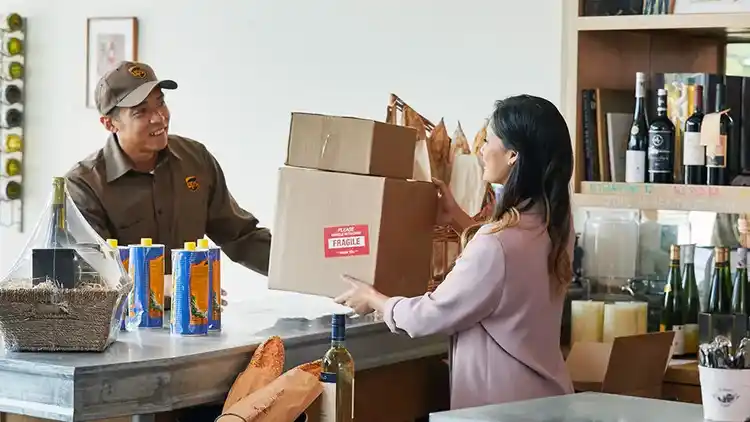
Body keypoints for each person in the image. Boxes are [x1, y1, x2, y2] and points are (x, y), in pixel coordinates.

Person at [334, 95, 575, 410]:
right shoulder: (556, 225)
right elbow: (505, 266)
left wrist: (374, 299)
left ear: (513, 154)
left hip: (502, 409)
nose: (482, 150)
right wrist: (458, 218)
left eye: (489, 141)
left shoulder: (496, 246)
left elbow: (431, 315)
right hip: (547, 400)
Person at [65, 61, 271, 277]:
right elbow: (95, 267)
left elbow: (239, 236)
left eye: (160, 103)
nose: (159, 118)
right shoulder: (83, 185)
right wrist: (160, 286)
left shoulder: (196, 159)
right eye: (141, 112)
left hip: (191, 308)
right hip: (123, 311)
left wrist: (298, 266)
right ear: (109, 124)